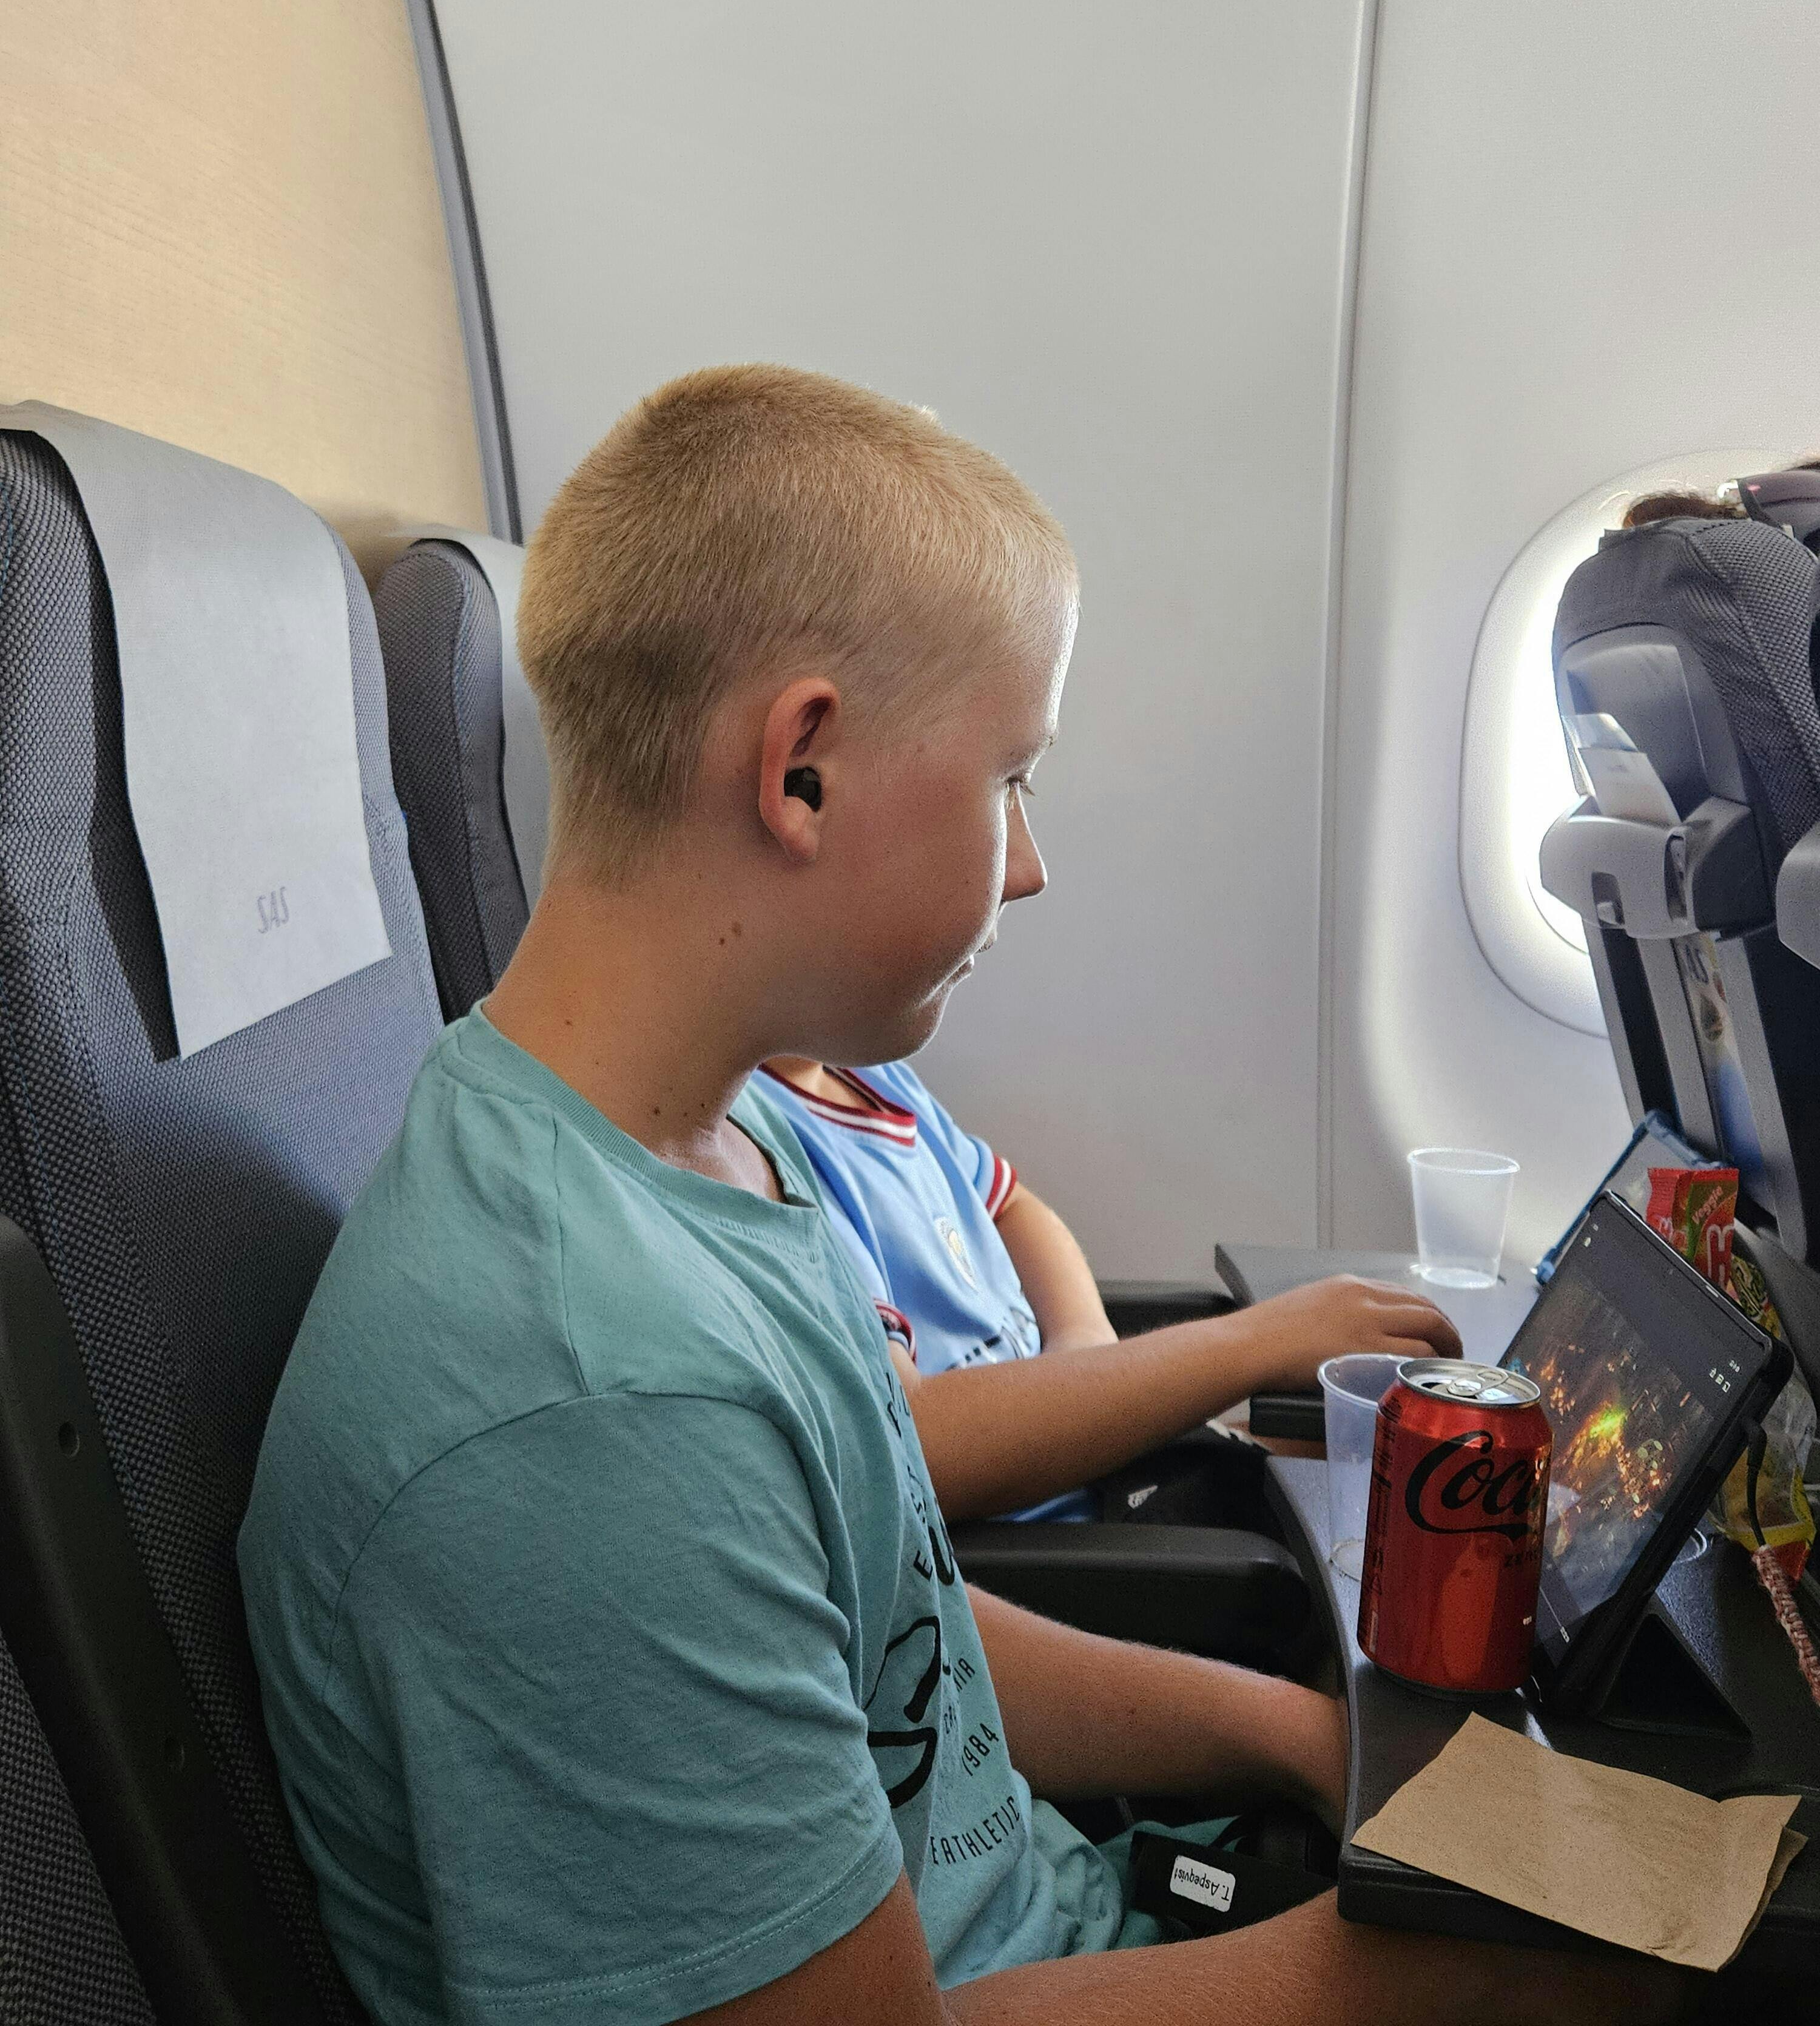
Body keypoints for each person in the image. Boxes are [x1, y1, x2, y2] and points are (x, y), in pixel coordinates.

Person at [240, 365, 1685, 2026]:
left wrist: (1301, 1734)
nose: (1029, 861)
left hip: (1055, 1918)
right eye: (1010, 775)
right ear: (801, 771)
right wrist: (1460, 1965)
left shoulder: (720, 1142)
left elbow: (885, 1639)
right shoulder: (590, 1400)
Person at [750, 1054, 1460, 1522]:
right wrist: (1259, 1342)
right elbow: (918, 1444)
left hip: (1092, 1456)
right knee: (1389, 1518)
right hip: (1052, 1537)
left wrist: (1083, 1342)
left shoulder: (873, 1075)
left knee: (1386, 1465)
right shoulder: (763, 1151)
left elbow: (1013, 1206)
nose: (1025, 882)